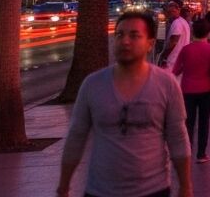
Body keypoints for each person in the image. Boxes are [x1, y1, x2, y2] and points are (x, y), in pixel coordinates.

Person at [58, 11, 192, 197]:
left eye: (134, 35)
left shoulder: (166, 84)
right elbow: (76, 137)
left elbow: (178, 137)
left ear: (150, 43)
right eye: (120, 35)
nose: (125, 41)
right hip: (100, 191)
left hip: (154, 190)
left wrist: (185, 187)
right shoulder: (92, 84)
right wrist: (63, 187)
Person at [172, 18, 210, 163]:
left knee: (189, 122)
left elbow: (176, 69)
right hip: (207, 89)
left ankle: (187, 150)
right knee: (204, 122)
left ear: (193, 32)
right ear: (208, 32)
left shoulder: (186, 49)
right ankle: (201, 154)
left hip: (188, 89)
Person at [158, 0, 190, 71]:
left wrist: (164, 57)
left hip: (172, 61)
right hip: (179, 61)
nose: (169, 11)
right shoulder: (182, 22)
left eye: (171, 8)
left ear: (178, 9)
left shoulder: (177, 23)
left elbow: (173, 41)